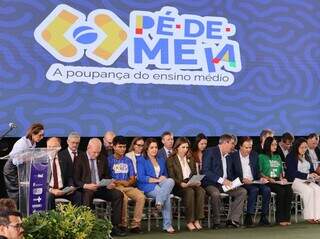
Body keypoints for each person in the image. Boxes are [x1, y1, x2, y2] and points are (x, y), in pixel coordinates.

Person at [73, 138, 126, 237]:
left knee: (118, 194)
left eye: (98, 152)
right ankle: (86, 226)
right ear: (88, 148)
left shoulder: (103, 158)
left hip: (101, 187)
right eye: (94, 152)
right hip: (87, 188)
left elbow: (106, 175)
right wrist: (86, 185)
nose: (96, 155)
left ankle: (115, 226)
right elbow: (76, 179)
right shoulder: (79, 158)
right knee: (87, 194)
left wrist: (109, 183)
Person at [203, 134, 247, 228]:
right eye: (232, 143)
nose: (233, 146)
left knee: (242, 191)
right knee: (215, 194)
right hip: (211, 183)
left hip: (225, 185)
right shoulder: (210, 151)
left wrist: (237, 181)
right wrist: (222, 180)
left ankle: (232, 220)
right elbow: (206, 171)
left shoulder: (228, 156)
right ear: (225, 142)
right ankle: (216, 222)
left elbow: (230, 174)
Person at [136, 138, 175, 233]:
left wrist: (163, 177)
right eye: (151, 147)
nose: (154, 149)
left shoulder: (161, 160)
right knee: (167, 196)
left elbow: (165, 174)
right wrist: (157, 180)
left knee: (170, 180)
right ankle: (167, 225)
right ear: (147, 149)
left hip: (160, 184)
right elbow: (141, 177)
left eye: (156, 147)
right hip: (147, 185)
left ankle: (159, 202)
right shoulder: (141, 160)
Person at [230, 137, 271, 227]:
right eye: (246, 147)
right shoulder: (233, 157)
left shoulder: (254, 155)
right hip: (242, 182)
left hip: (254, 181)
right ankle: (249, 216)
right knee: (254, 190)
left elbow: (257, 172)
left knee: (266, 190)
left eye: (250, 147)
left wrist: (261, 178)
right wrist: (242, 179)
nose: (249, 150)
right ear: (240, 146)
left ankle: (264, 216)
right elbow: (230, 174)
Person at [108, 136, 145, 233]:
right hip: (116, 188)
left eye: (124, 147)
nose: (122, 149)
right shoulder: (109, 160)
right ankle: (123, 224)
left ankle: (135, 225)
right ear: (114, 147)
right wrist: (120, 182)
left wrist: (126, 182)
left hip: (128, 186)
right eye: (120, 147)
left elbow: (132, 179)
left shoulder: (128, 160)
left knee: (141, 196)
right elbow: (109, 179)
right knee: (123, 198)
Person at [167, 137, 205, 231]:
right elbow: (171, 176)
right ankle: (189, 221)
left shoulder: (190, 158)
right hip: (178, 186)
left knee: (201, 191)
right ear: (177, 148)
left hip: (190, 183)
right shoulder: (171, 160)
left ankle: (197, 219)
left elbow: (194, 173)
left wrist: (196, 180)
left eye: (187, 147)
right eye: (183, 147)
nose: (185, 149)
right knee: (190, 192)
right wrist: (181, 183)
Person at [3, 123, 44, 203]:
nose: (42, 138)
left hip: (21, 168)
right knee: (15, 192)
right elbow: (15, 161)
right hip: (11, 169)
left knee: (23, 191)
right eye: (40, 135)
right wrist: (29, 158)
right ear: (33, 133)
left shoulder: (33, 143)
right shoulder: (22, 143)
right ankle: (13, 212)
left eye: (43, 135)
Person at [259, 136, 293, 226]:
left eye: (276, 145)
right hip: (268, 180)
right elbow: (259, 172)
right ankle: (280, 218)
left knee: (289, 190)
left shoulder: (278, 156)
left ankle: (287, 217)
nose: (275, 146)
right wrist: (268, 178)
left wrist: (282, 178)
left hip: (277, 179)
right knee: (281, 191)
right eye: (273, 145)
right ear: (267, 145)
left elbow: (281, 170)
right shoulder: (261, 157)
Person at [286, 138, 320, 223]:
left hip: (307, 180)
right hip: (295, 181)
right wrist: (308, 175)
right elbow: (293, 173)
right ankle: (309, 217)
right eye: (301, 147)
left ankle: (317, 216)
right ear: (296, 147)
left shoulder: (307, 156)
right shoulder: (290, 156)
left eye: (305, 147)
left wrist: (315, 175)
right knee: (309, 191)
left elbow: (311, 170)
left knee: (317, 189)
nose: (304, 149)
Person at [46, 137, 81, 210]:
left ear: (59, 147)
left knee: (78, 195)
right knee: (49, 197)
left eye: (54, 147)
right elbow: (39, 181)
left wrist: (71, 186)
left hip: (63, 190)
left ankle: (75, 220)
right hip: (50, 190)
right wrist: (51, 190)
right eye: (49, 147)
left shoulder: (64, 158)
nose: (51, 149)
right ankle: (52, 219)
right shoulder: (42, 161)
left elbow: (69, 176)